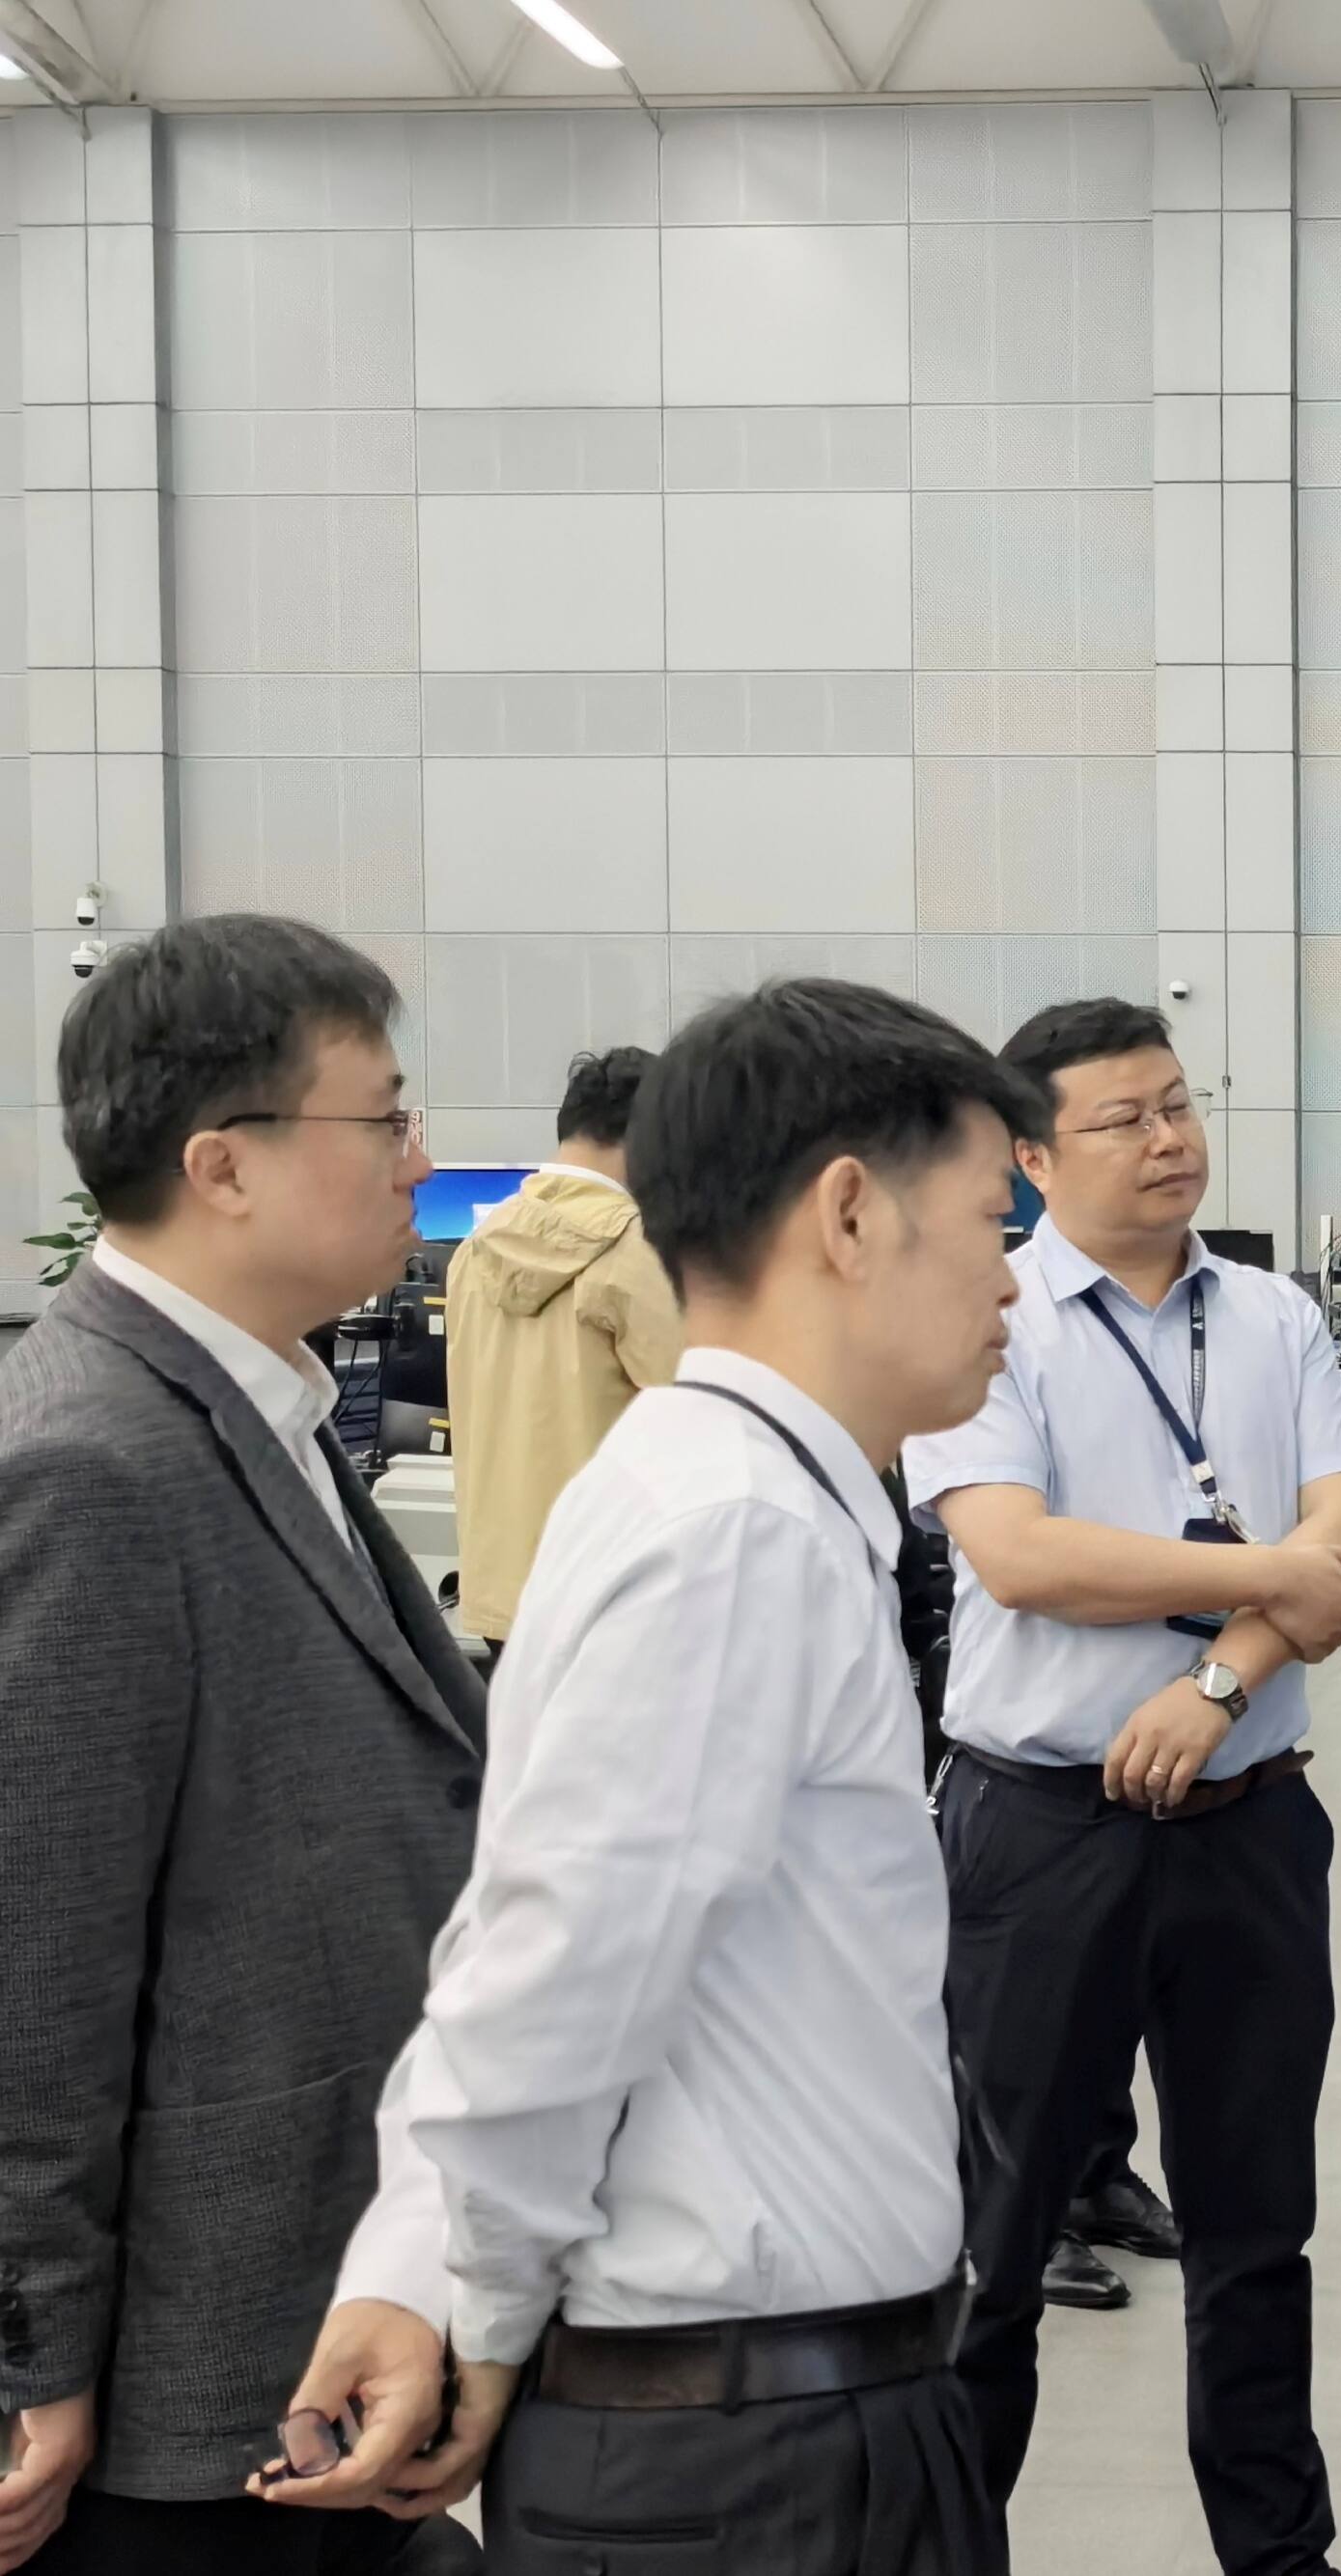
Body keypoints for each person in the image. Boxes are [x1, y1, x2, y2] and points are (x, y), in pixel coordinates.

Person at [278, 979, 1047, 2575]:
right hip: (752, 2465)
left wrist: (425, 2265)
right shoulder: (735, 1529)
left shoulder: (712, 1487)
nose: (1011, 1281)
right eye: (995, 1219)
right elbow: (559, 1966)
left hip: (757, 2428)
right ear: (849, 1211)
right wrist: (472, 2303)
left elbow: (516, 1933)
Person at [0, 917, 488, 2576]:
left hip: (318, 2304)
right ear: (222, 1164)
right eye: (385, 1115)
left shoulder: (253, 1405)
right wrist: (30, 2355)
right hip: (181, 2379)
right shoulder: (89, 1464)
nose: (418, 1157)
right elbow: (35, 1960)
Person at [908, 997, 1341, 2576]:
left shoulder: (1272, 1315)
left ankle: (1278, 2554)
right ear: (1032, 1157)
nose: (1168, 1138)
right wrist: (1271, 1579)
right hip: (1042, 1832)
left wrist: (1218, 1677)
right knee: (990, 2247)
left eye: (1178, 1103)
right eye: (1123, 1117)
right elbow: (1019, 1553)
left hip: (1250, 1824)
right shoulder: (990, 1315)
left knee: (1257, 2232)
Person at [444, 1046, 682, 1649]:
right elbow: (712, 1416)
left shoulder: (472, 1252)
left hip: (502, 1595)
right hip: (612, 1598)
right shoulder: (638, 1253)